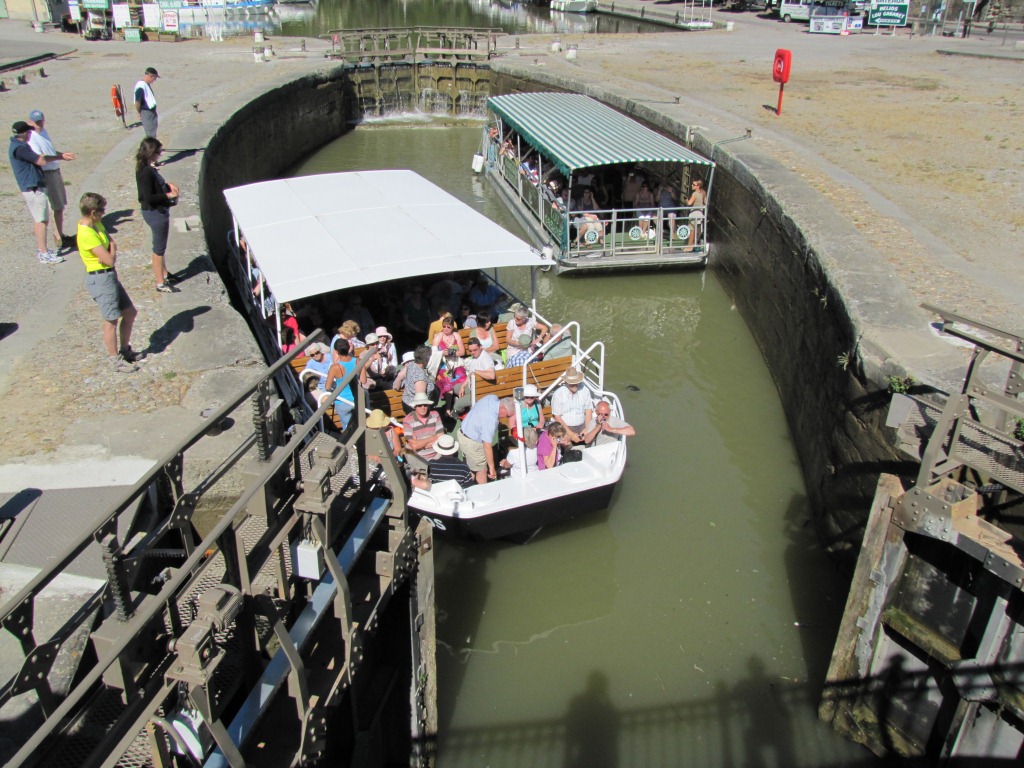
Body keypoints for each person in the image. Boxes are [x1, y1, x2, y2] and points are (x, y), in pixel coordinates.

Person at [76, 192, 141, 372]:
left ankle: (126, 350)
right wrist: (112, 251)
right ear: (93, 211)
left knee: (129, 312)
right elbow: (109, 258)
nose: (104, 213)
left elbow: (111, 244)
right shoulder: (86, 233)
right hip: (100, 278)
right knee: (111, 319)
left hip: (109, 275)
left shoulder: (96, 224)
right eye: (102, 210)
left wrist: (111, 249)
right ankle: (115, 360)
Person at [9, 121, 74, 264]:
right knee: (41, 220)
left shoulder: (20, 146)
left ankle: (43, 249)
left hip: (33, 186)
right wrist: (60, 157)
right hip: (33, 187)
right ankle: (43, 253)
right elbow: (41, 161)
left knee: (41, 219)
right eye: (29, 132)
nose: (31, 134)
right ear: (23, 133)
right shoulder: (20, 148)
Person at [135, 137, 180, 293]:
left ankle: (165, 273)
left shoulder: (144, 168)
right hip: (155, 214)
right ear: (151, 153)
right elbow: (149, 197)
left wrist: (168, 186)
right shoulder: (146, 172)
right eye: (159, 152)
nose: (160, 155)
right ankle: (160, 282)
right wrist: (169, 195)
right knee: (158, 249)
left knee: (161, 246)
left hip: (153, 212)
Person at [27, 110, 76, 250]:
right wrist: (60, 157)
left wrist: (62, 155)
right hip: (47, 173)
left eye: (41, 121)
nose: (39, 125)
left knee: (60, 205)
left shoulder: (43, 132)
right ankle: (58, 238)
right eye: (36, 123)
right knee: (57, 206)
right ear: (30, 122)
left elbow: (50, 151)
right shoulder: (32, 137)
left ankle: (59, 234)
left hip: (54, 170)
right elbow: (41, 158)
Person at [457, 394, 513, 485]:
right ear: (502, 407)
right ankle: (482, 495)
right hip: (473, 443)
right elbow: (487, 446)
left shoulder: (492, 397)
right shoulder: (490, 421)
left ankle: (469, 485)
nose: (505, 417)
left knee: (471, 466)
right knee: (482, 471)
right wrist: (491, 468)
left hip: (463, 432)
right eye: (507, 415)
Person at [411, 434, 475, 491]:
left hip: (437, 499)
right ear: (454, 450)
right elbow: (470, 489)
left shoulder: (431, 465)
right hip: (456, 499)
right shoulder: (463, 467)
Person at [401, 392, 445, 470]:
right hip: (418, 458)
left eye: (425, 405)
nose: (423, 407)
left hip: (436, 455)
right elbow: (414, 446)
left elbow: (441, 437)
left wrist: (420, 442)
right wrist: (433, 438)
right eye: (419, 405)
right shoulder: (407, 420)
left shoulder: (435, 415)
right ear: (415, 407)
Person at [550, 368, 593, 443]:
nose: (574, 385)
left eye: (576, 382)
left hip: (582, 425)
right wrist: (570, 434)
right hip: (565, 427)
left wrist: (587, 429)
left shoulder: (585, 390)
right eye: (572, 383)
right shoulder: (558, 394)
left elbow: (588, 410)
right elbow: (557, 417)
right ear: (566, 382)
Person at [325, 338, 358, 429]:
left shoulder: (335, 367)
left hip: (342, 401)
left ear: (336, 351)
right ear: (348, 348)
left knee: (348, 430)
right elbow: (362, 380)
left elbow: (327, 387)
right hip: (357, 399)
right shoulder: (357, 361)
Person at [393, 344, 437, 410]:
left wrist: (397, 388)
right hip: (415, 409)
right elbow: (420, 401)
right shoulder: (420, 377)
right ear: (427, 358)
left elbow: (399, 376)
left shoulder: (411, 364)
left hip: (406, 402)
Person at [134, 67, 160, 138]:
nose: (154, 80)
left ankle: (154, 148)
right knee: (150, 133)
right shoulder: (141, 86)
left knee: (152, 132)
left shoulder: (145, 85)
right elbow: (137, 102)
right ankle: (151, 148)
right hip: (146, 112)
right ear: (151, 76)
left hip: (150, 112)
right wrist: (139, 113)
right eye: (154, 78)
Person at [684, 178, 707, 252]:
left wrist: (686, 200)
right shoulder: (703, 192)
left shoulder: (695, 194)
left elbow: (689, 203)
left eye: (694, 185)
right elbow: (705, 202)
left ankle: (689, 246)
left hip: (694, 213)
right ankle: (692, 244)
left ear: (698, 186)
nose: (692, 185)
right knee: (696, 230)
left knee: (692, 230)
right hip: (700, 213)